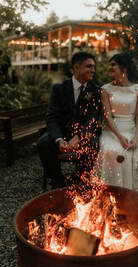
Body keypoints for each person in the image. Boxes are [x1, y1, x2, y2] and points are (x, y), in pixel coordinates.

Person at [92, 53, 138, 195]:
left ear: (124, 68)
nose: (109, 67)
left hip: (131, 131)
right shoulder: (105, 89)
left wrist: (135, 139)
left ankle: (131, 196)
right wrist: (119, 137)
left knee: (133, 154)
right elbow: (107, 117)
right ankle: (111, 195)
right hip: (112, 131)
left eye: (113, 65)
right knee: (111, 152)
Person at [37, 52, 102, 188]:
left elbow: (93, 119)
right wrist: (59, 139)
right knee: (43, 143)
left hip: (83, 134)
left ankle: (77, 181)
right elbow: (52, 116)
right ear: (77, 68)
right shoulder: (59, 89)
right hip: (61, 133)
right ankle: (58, 181)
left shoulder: (95, 91)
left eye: (93, 67)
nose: (93, 70)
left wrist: (79, 137)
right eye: (89, 66)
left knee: (94, 145)